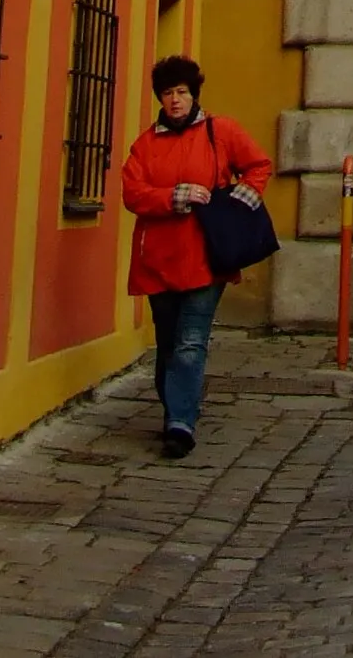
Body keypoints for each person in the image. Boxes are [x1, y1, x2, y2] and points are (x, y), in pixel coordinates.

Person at [121, 55, 272, 456]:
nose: (175, 101)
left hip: (207, 256)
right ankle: (176, 408)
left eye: (182, 93)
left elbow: (258, 166)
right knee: (169, 344)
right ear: (160, 98)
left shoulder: (221, 132)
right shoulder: (145, 145)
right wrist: (174, 196)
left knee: (191, 341)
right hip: (159, 260)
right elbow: (131, 193)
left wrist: (239, 203)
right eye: (168, 93)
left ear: (194, 95)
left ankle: (180, 424)